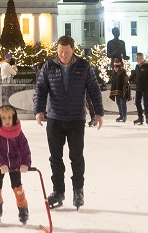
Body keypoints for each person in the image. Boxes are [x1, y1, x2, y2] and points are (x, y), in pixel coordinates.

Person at [33, 36, 104, 209]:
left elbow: (94, 89)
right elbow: (41, 89)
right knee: (55, 158)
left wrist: (99, 113)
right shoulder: (48, 67)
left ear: (73, 49)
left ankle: (78, 191)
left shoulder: (83, 66)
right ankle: (58, 191)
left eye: (66, 51)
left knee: (76, 157)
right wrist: (39, 110)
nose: (63, 55)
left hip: (76, 119)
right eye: (60, 52)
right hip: (55, 118)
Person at [0, 103, 34, 226]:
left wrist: (25, 164)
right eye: (3, 118)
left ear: (14, 118)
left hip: (15, 165)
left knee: (17, 188)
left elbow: (25, 149)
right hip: (0, 167)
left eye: (9, 117)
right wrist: (0, 164)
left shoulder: (18, 133)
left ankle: (23, 209)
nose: (7, 121)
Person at [133, 55, 148, 125]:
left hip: (145, 87)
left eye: (137, 58)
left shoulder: (147, 66)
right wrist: (128, 80)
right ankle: (140, 117)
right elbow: (135, 75)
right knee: (137, 102)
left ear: (140, 58)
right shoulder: (137, 66)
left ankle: (147, 116)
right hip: (139, 87)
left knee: (146, 102)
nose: (136, 59)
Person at [108, 57, 132, 122]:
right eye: (114, 68)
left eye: (116, 68)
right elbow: (112, 81)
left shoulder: (123, 73)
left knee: (122, 102)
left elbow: (125, 81)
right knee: (118, 102)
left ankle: (124, 115)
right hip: (117, 91)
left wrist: (125, 89)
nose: (114, 69)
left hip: (122, 90)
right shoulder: (114, 74)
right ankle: (121, 115)